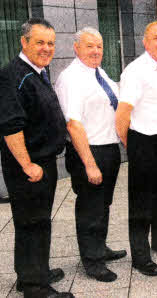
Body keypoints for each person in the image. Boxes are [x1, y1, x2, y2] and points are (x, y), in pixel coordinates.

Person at [0, 18, 73, 298]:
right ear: (24, 42)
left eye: (51, 43)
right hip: (29, 167)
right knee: (32, 224)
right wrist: (28, 164)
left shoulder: (37, 71)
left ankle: (33, 272)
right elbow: (11, 126)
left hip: (41, 163)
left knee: (37, 222)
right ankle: (35, 287)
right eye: (39, 42)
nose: (46, 48)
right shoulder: (13, 75)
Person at [55, 27, 127, 283]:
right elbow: (73, 124)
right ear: (76, 48)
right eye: (89, 46)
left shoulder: (99, 73)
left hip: (108, 148)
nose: (96, 50)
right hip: (89, 150)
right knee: (90, 208)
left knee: (102, 205)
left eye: (99, 45)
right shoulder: (71, 78)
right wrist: (89, 164)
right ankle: (92, 261)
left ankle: (100, 248)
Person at [115, 21, 157, 277]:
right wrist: (132, 145)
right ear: (145, 42)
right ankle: (140, 255)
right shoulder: (136, 71)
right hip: (144, 142)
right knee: (141, 201)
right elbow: (122, 115)